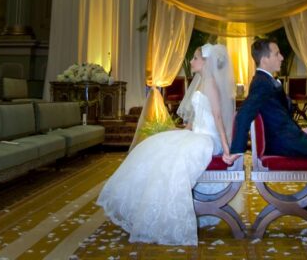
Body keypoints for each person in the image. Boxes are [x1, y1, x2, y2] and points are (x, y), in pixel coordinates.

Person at [97, 43, 236, 246]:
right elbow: (197, 116)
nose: (191, 61)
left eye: (195, 58)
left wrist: (226, 148)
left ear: (206, 62)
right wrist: (183, 130)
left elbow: (217, 117)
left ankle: (167, 215)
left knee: (174, 158)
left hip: (208, 139)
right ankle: (148, 210)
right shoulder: (200, 82)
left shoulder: (211, 84)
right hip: (197, 134)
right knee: (156, 147)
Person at [228, 38, 307, 238]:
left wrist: (299, 130)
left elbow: (279, 115)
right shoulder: (262, 83)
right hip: (286, 143)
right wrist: (237, 149)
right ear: (265, 59)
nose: (281, 57)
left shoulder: (266, 80)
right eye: (277, 53)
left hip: (289, 138)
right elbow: (244, 114)